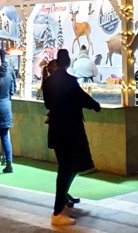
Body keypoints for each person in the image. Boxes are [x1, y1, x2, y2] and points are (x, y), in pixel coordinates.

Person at [43, 48, 101, 227]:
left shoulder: (48, 82)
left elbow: (47, 104)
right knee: (66, 169)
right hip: (69, 130)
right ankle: (57, 212)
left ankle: (62, 201)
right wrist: (96, 106)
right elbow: (83, 99)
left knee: (66, 167)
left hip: (56, 130)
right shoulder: (70, 81)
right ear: (68, 62)